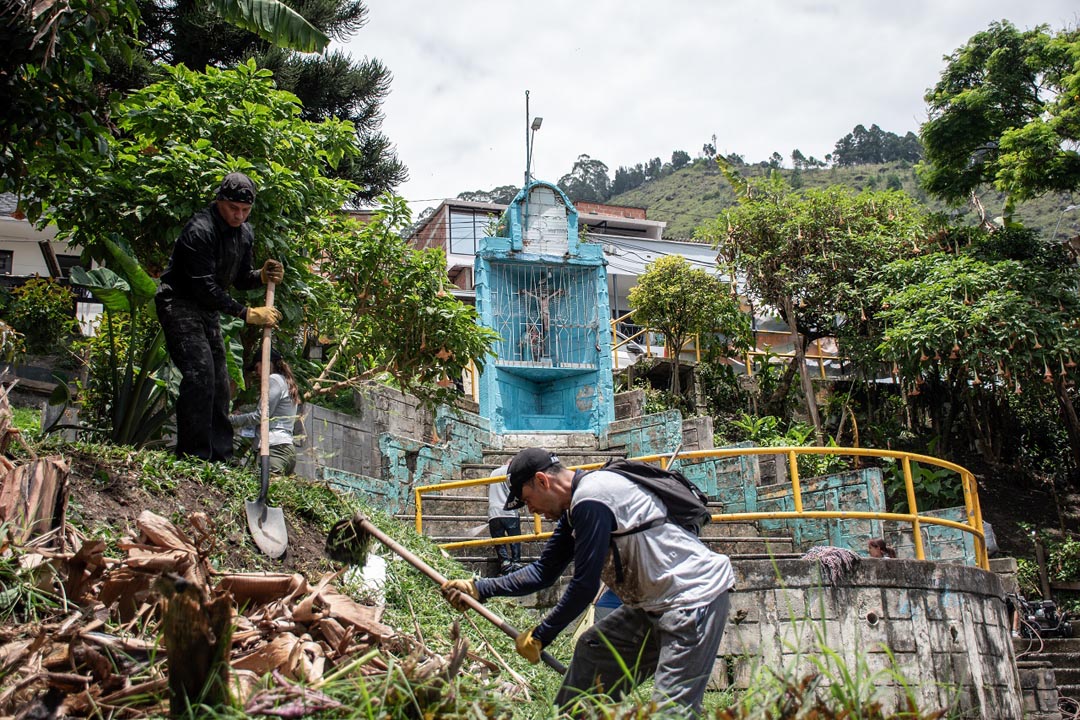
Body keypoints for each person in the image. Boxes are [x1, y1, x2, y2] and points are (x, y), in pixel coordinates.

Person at [442, 447, 734, 717]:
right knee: (594, 649)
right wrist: (479, 588)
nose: (531, 511)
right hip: (653, 602)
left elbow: (584, 587)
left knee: (671, 710)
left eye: (528, 500)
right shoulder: (575, 508)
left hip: (693, 599)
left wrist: (542, 634)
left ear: (542, 481)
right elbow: (544, 571)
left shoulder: (592, 498)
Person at [155, 173, 283, 461]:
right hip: (179, 303)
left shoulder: (244, 234)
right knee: (200, 375)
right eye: (233, 209)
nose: (239, 216)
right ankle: (192, 456)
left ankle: (219, 457)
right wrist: (246, 313)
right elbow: (203, 287)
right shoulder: (199, 231)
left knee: (220, 384)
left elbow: (238, 279)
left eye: (245, 211)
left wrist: (260, 276)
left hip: (208, 309)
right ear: (219, 202)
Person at [229, 348, 301, 475]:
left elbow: (261, 415)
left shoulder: (273, 379)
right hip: (286, 449)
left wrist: (230, 420)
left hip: (274, 449)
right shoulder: (285, 382)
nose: (257, 373)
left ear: (266, 363)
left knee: (264, 491)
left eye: (257, 368)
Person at [487, 464, 523, 575]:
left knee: (499, 542)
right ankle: (516, 564)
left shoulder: (493, 472)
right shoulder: (512, 471)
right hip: (509, 511)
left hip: (494, 512)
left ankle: (505, 565)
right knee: (514, 540)